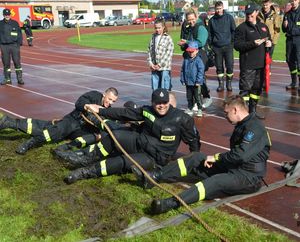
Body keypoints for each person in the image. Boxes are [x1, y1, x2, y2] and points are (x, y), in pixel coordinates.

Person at [132, 95, 271, 214]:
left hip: (248, 177)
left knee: (215, 181)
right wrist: (217, 160)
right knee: (196, 158)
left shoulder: (255, 128)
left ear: (235, 110)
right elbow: (236, 156)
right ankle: (154, 177)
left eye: (226, 113)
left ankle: (170, 203)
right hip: (234, 167)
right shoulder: (243, 125)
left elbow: (240, 155)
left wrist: (216, 158)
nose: (225, 116)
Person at [63, 88, 201, 184]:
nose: (161, 106)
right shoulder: (147, 111)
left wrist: (195, 162)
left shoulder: (182, 119)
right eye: (157, 103)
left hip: (154, 158)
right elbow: (124, 113)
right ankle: (86, 159)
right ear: (152, 103)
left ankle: (85, 172)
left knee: (122, 162)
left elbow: (193, 140)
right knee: (114, 136)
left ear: (168, 102)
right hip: (139, 142)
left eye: (164, 102)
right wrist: (101, 110)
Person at [0, 87, 118, 154]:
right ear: (104, 95)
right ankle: (30, 143)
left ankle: (7, 122)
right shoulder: (94, 95)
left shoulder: (107, 111)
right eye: (109, 99)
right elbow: (79, 103)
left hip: (81, 130)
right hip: (73, 120)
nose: (110, 103)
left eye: (113, 101)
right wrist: (88, 106)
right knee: (55, 131)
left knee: (47, 127)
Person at [234, 3, 271, 119]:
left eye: (251, 13)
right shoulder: (241, 28)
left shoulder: (263, 27)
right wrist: (252, 44)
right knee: (245, 91)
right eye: (247, 13)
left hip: (260, 65)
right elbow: (237, 46)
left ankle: (253, 112)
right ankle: (243, 115)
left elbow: (268, 40)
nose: (249, 15)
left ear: (256, 12)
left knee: (256, 90)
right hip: (248, 65)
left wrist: (268, 44)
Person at [178, 8, 212, 111]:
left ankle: (203, 98)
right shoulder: (187, 27)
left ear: (196, 17)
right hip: (189, 55)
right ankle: (195, 101)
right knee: (190, 77)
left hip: (200, 55)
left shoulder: (201, 28)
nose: (191, 21)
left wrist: (187, 42)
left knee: (198, 77)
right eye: (189, 20)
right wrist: (183, 45)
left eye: (193, 19)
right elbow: (184, 40)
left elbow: (200, 43)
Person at [208, 1, 236, 92]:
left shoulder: (229, 18)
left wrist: (231, 43)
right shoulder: (212, 20)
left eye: (220, 8)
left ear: (223, 8)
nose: (218, 10)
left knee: (230, 66)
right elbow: (210, 34)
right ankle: (221, 84)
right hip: (217, 48)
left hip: (228, 46)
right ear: (215, 9)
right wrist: (211, 45)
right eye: (217, 9)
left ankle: (229, 84)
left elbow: (234, 31)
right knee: (219, 67)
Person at [147, 19, 174, 91]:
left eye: (159, 28)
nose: (157, 30)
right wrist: (151, 63)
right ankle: (156, 101)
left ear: (163, 27)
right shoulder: (153, 37)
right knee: (155, 87)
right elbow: (149, 50)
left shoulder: (168, 38)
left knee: (164, 87)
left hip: (164, 67)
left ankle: (165, 101)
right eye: (156, 28)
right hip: (154, 66)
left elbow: (168, 54)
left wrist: (160, 64)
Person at [180, 41, 205, 117]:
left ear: (196, 51)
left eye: (192, 51)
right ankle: (190, 107)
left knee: (197, 96)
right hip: (188, 82)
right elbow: (182, 70)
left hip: (196, 83)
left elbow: (201, 71)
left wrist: (198, 81)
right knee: (189, 96)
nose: (190, 53)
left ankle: (200, 108)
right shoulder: (186, 60)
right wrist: (183, 80)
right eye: (189, 51)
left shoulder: (198, 60)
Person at [0, 9, 24, 85]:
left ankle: (19, 79)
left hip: (14, 45)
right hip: (4, 46)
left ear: (10, 15)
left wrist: (19, 43)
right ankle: (7, 79)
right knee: (6, 63)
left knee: (17, 62)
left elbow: (19, 33)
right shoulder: (0, 23)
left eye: (8, 14)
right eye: (5, 14)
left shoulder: (15, 23)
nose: (7, 16)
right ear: (3, 15)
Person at [282, 0, 300, 91]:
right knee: (289, 60)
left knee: (299, 60)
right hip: (289, 40)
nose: (293, 2)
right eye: (292, 1)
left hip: (298, 40)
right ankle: (294, 82)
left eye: (295, 0)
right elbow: (283, 30)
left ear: (299, 1)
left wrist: (292, 30)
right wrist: (285, 26)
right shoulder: (287, 14)